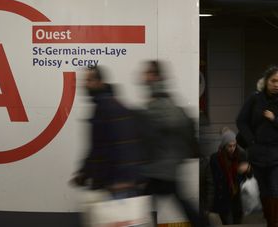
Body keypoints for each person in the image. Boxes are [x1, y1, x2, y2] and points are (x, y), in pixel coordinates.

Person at [141, 60, 205, 227]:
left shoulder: (159, 102)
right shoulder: (160, 99)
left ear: (156, 76)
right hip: (163, 166)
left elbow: (172, 124)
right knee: (178, 202)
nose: (144, 76)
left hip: (160, 167)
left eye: (148, 73)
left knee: (145, 203)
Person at [71, 66, 151, 199]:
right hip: (122, 180)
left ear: (99, 82)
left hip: (118, 183)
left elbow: (102, 148)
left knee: (121, 218)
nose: (85, 85)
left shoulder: (105, 108)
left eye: (89, 80)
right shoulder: (111, 104)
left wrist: (84, 174)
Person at [237, 65, 278, 227]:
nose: (276, 84)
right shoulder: (254, 99)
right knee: (264, 191)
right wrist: (251, 141)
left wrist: (274, 119)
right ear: (266, 81)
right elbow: (241, 121)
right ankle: (269, 221)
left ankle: (274, 223)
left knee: (275, 189)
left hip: (276, 154)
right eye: (273, 80)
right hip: (257, 154)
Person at [209, 127, 249, 225]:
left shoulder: (241, 155)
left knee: (237, 219)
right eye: (229, 146)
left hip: (236, 193)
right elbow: (213, 179)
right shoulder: (215, 158)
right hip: (223, 194)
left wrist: (247, 169)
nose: (232, 148)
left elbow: (248, 175)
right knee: (226, 221)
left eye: (234, 145)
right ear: (224, 146)